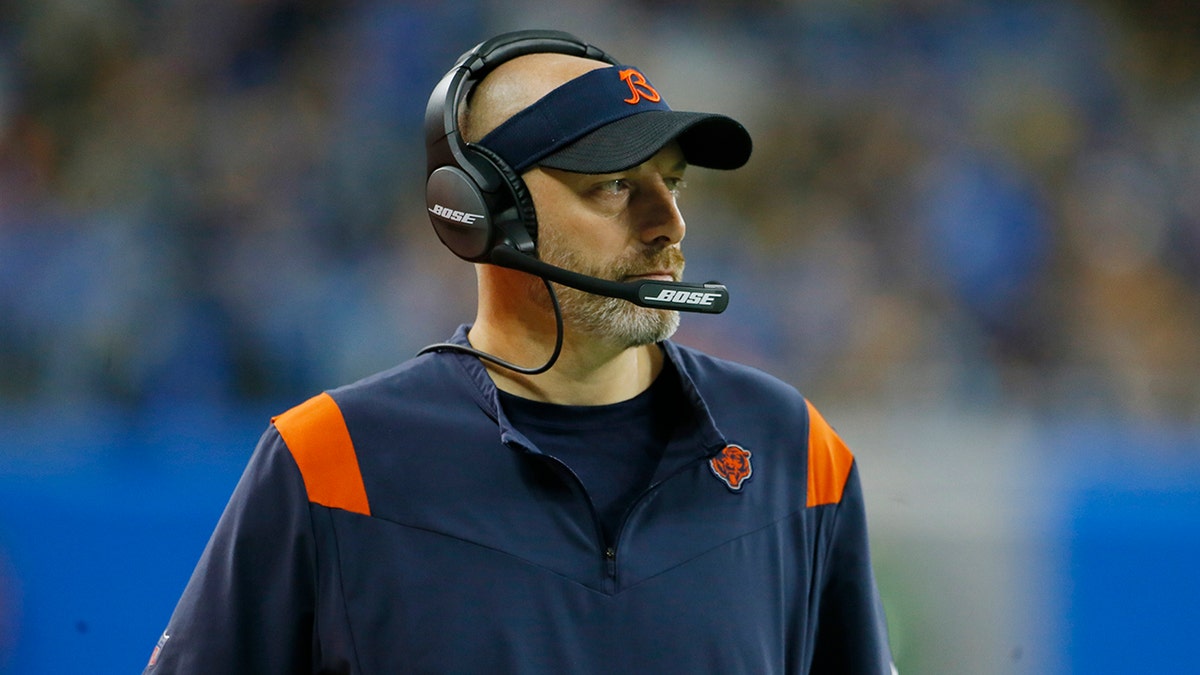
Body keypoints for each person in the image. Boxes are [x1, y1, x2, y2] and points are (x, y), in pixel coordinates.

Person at [144, 29, 896, 674]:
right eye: (611, 188)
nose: (670, 225)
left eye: (671, 184)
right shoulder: (331, 460)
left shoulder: (795, 450)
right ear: (479, 214)